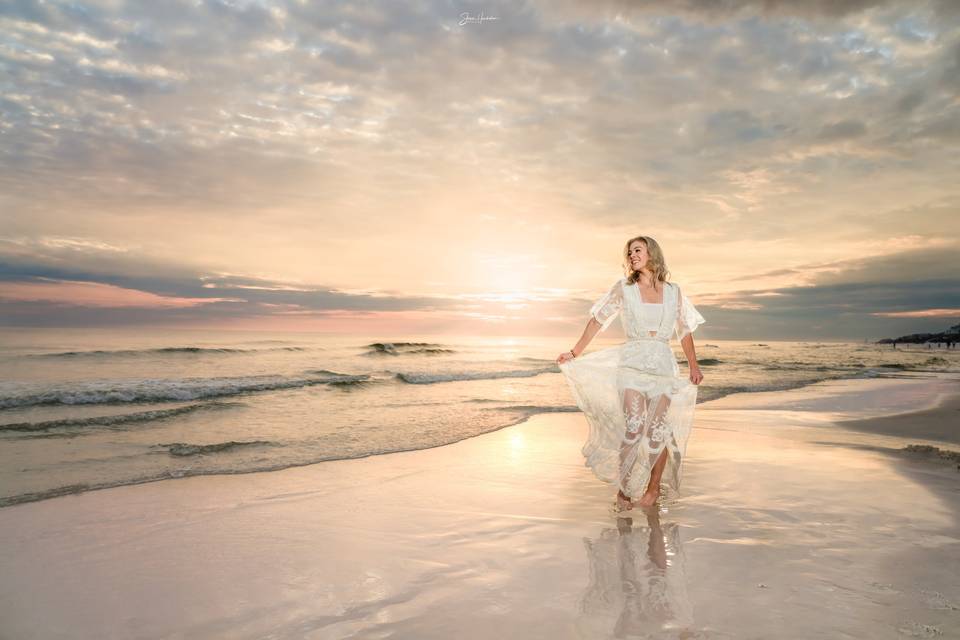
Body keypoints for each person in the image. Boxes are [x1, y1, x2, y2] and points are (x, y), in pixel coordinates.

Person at [556, 236, 705, 513]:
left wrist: (693, 366)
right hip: (632, 366)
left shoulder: (674, 291)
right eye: (629, 252)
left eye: (637, 250)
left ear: (652, 253)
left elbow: (684, 331)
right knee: (635, 428)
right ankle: (624, 490)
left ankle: (653, 489)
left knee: (658, 432)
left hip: (662, 366)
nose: (632, 255)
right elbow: (598, 320)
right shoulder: (624, 289)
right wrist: (575, 352)